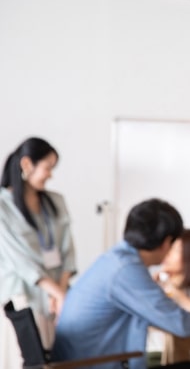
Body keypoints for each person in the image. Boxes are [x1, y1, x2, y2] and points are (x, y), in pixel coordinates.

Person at [52, 198, 190, 369]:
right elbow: (179, 324)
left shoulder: (114, 261)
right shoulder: (126, 270)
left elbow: (169, 317)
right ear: (167, 243)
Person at [0, 137, 76, 368]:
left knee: (59, 359)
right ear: (26, 164)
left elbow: (67, 250)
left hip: (57, 299)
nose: (50, 175)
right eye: (47, 168)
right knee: (29, 361)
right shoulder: (3, 207)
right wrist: (59, 295)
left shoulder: (56, 201)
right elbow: (20, 261)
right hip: (24, 299)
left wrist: (61, 291)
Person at [148, 228, 190, 366]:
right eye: (168, 248)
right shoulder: (154, 283)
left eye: (175, 250)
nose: (167, 254)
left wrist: (177, 294)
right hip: (156, 354)